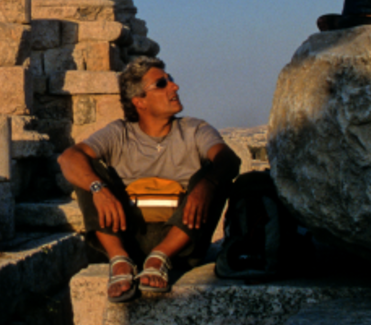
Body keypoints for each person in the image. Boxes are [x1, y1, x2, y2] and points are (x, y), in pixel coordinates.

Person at [58, 56, 240, 302]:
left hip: (181, 242)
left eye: (171, 81)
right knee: (87, 171)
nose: (174, 87)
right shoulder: (119, 133)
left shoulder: (195, 129)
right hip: (130, 237)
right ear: (139, 102)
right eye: (162, 84)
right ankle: (120, 261)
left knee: (213, 174)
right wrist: (98, 189)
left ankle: (159, 258)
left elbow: (228, 160)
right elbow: (68, 158)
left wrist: (206, 185)